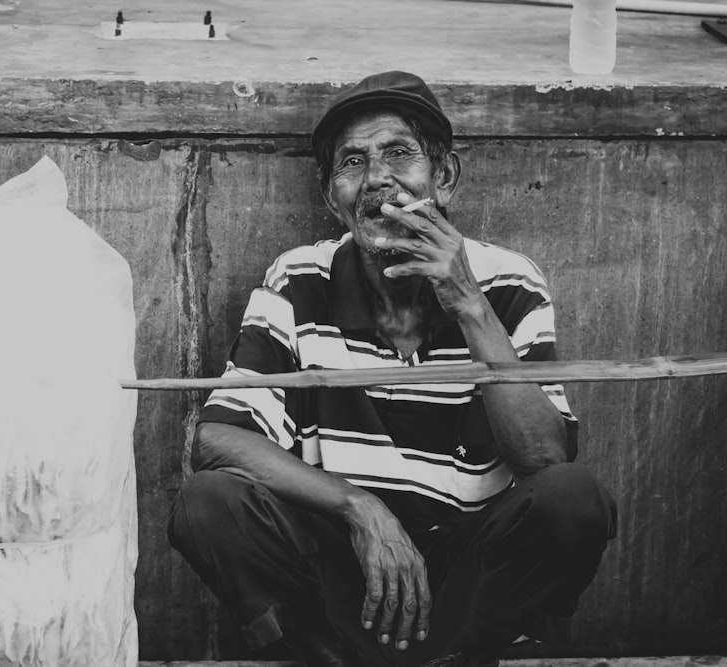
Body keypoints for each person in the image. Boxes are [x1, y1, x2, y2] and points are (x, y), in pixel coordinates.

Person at [167, 71, 617, 667]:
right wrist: (362, 510)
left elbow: (545, 460)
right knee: (209, 501)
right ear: (334, 197)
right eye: (352, 163)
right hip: (343, 570)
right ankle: (331, 659)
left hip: (466, 569)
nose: (377, 178)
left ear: (444, 178)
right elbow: (219, 440)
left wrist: (468, 305)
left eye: (399, 154)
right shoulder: (301, 280)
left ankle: (467, 654)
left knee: (573, 497)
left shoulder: (508, 283)